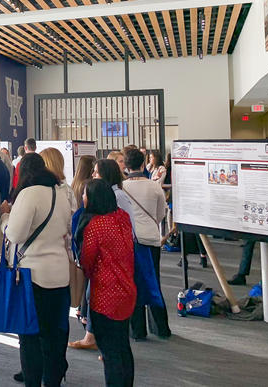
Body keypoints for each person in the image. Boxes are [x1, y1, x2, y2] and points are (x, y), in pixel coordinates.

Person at [1, 153, 71, 386]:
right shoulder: (60, 193)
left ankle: (32, 381)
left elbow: (16, 234)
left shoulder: (28, 194)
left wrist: (4, 220)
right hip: (60, 274)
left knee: (30, 337)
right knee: (54, 336)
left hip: (33, 277)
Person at [70, 159, 137, 351]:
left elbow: (88, 259)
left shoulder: (99, 222)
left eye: (97, 173)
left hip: (108, 280)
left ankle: (99, 342)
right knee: (119, 345)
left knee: (113, 347)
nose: (93, 176)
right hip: (117, 278)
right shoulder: (114, 216)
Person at [79, 179, 136, 387]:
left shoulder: (95, 225)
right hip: (127, 291)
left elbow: (87, 260)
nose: (82, 197)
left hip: (105, 296)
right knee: (122, 347)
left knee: (109, 352)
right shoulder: (123, 217)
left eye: (85, 194)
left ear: (93, 199)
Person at [123, 148, 171, 339]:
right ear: (143, 164)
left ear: (126, 167)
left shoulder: (122, 187)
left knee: (133, 284)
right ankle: (161, 328)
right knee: (154, 282)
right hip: (152, 239)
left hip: (131, 241)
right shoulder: (154, 186)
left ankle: (137, 330)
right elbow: (161, 213)